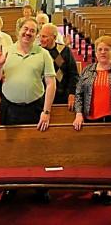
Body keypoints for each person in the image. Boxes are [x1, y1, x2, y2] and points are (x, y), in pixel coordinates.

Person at [0, 18, 56, 203]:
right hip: (10, 108)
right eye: (25, 29)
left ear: (36, 35)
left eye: (32, 31)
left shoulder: (43, 54)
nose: (28, 33)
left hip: (35, 108)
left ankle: (40, 188)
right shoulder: (7, 51)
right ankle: (12, 186)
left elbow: (51, 83)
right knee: (11, 151)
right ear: (18, 30)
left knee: (37, 148)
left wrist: (47, 111)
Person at [73, 35, 111, 205]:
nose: (103, 52)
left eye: (107, 49)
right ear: (95, 52)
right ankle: (96, 187)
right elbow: (79, 94)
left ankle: (109, 188)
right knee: (95, 154)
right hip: (91, 117)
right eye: (100, 49)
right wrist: (79, 113)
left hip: (109, 118)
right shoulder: (88, 70)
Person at [40, 23, 79, 108]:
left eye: (44, 37)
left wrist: (72, 93)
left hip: (62, 94)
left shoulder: (63, 51)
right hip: (41, 97)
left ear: (54, 37)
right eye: (40, 36)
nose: (41, 39)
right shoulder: (38, 51)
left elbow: (73, 75)